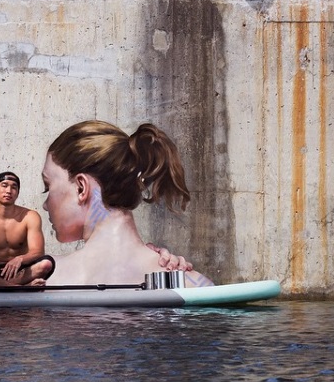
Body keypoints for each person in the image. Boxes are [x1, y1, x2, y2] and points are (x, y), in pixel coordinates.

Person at [40, 120, 214, 286]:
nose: (45, 205)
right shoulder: (191, 284)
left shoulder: (40, 278)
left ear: (81, 188)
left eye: (48, 187)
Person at [0, 170, 191, 287]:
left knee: (47, 263)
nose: (9, 190)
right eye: (4, 186)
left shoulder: (29, 216)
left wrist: (19, 260)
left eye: (14, 187)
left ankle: (4, 287)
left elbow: (37, 254)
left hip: (19, 274)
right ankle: (8, 289)